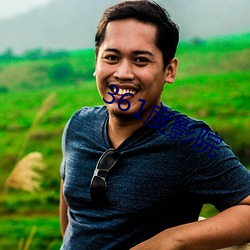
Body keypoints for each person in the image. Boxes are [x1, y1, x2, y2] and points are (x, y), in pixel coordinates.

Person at [59, 1, 250, 249]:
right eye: (112, 57)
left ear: (169, 70)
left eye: (140, 60)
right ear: (96, 62)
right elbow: (72, 217)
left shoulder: (189, 140)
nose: (123, 73)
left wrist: (171, 240)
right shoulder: (78, 125)